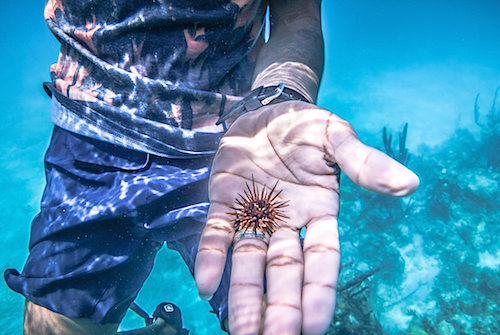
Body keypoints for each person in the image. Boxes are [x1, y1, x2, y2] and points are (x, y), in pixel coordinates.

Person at [5, 0, 419, 334]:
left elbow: (297, 16)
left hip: (232, 152)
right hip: (89, 145)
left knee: (270, 318)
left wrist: (279, 98)